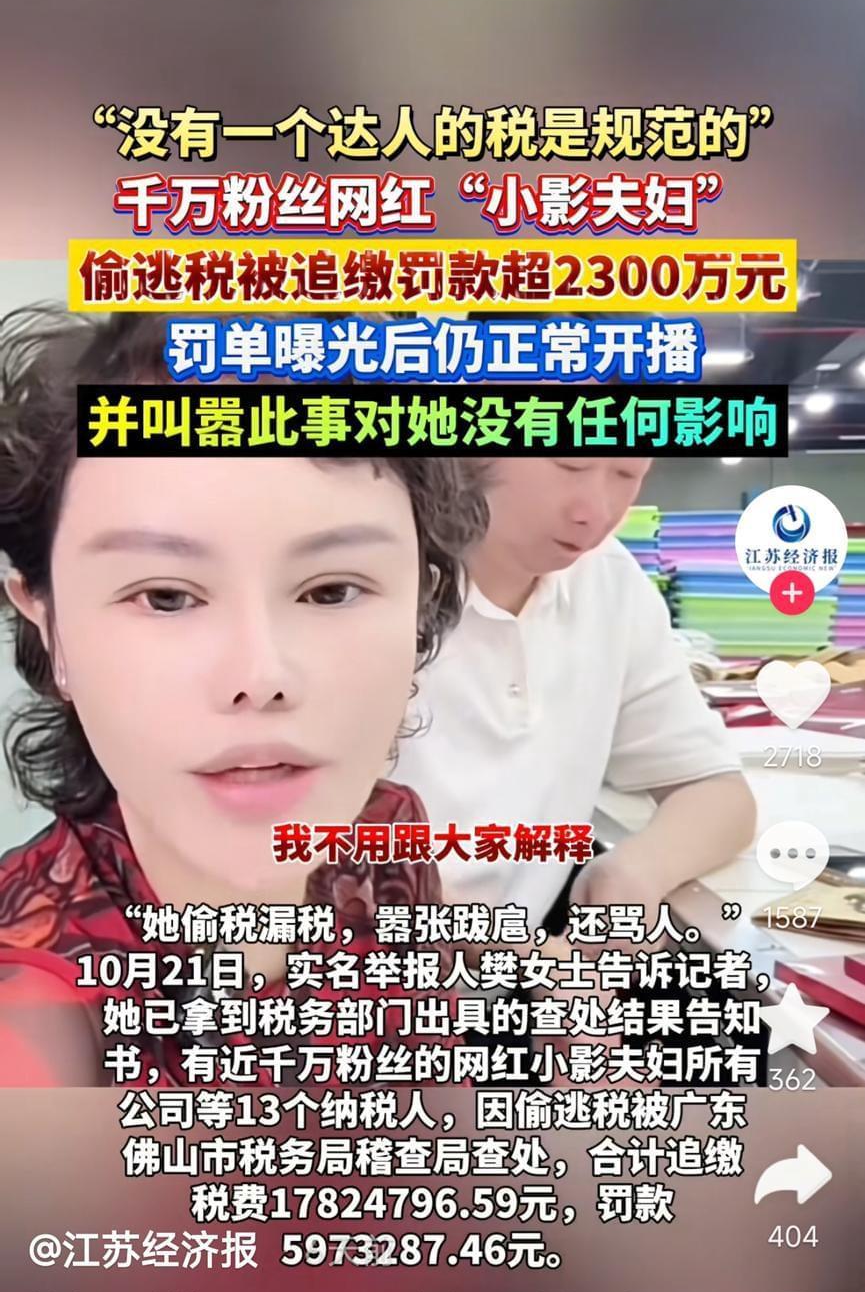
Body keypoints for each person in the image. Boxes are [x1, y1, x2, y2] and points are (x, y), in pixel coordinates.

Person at [0, 307, 488, 1086]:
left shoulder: (386, 828)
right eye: (165, 596)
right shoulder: (36, 993)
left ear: (418, 608)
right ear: (46, 620)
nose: (260, 675)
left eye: (330, 590)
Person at [392, 455, 756, 936]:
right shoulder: (368, 576)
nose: (597, 512)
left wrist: (635, 871)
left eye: (627, 475)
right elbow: (322, 859)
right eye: (571, 466)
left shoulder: (609, 582)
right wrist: (524, 957)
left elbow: (716, 791)